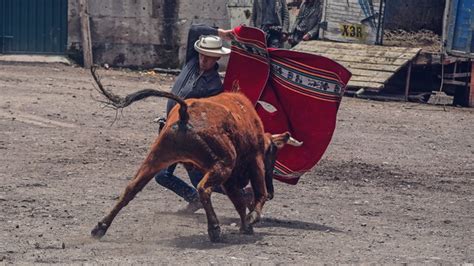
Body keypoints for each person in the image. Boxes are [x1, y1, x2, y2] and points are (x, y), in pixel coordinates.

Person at [154, 24, 233, 213]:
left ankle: (237, 192)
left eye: (208, 57)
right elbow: (195, 29)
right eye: (201, 54)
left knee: (194, 177)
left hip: (187, 135)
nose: (203, 59)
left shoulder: (214, 86)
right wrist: (220, 32)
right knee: (163, 175)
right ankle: (196, 198)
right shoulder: (191, 61)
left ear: (217, 58)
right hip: (171, 130)